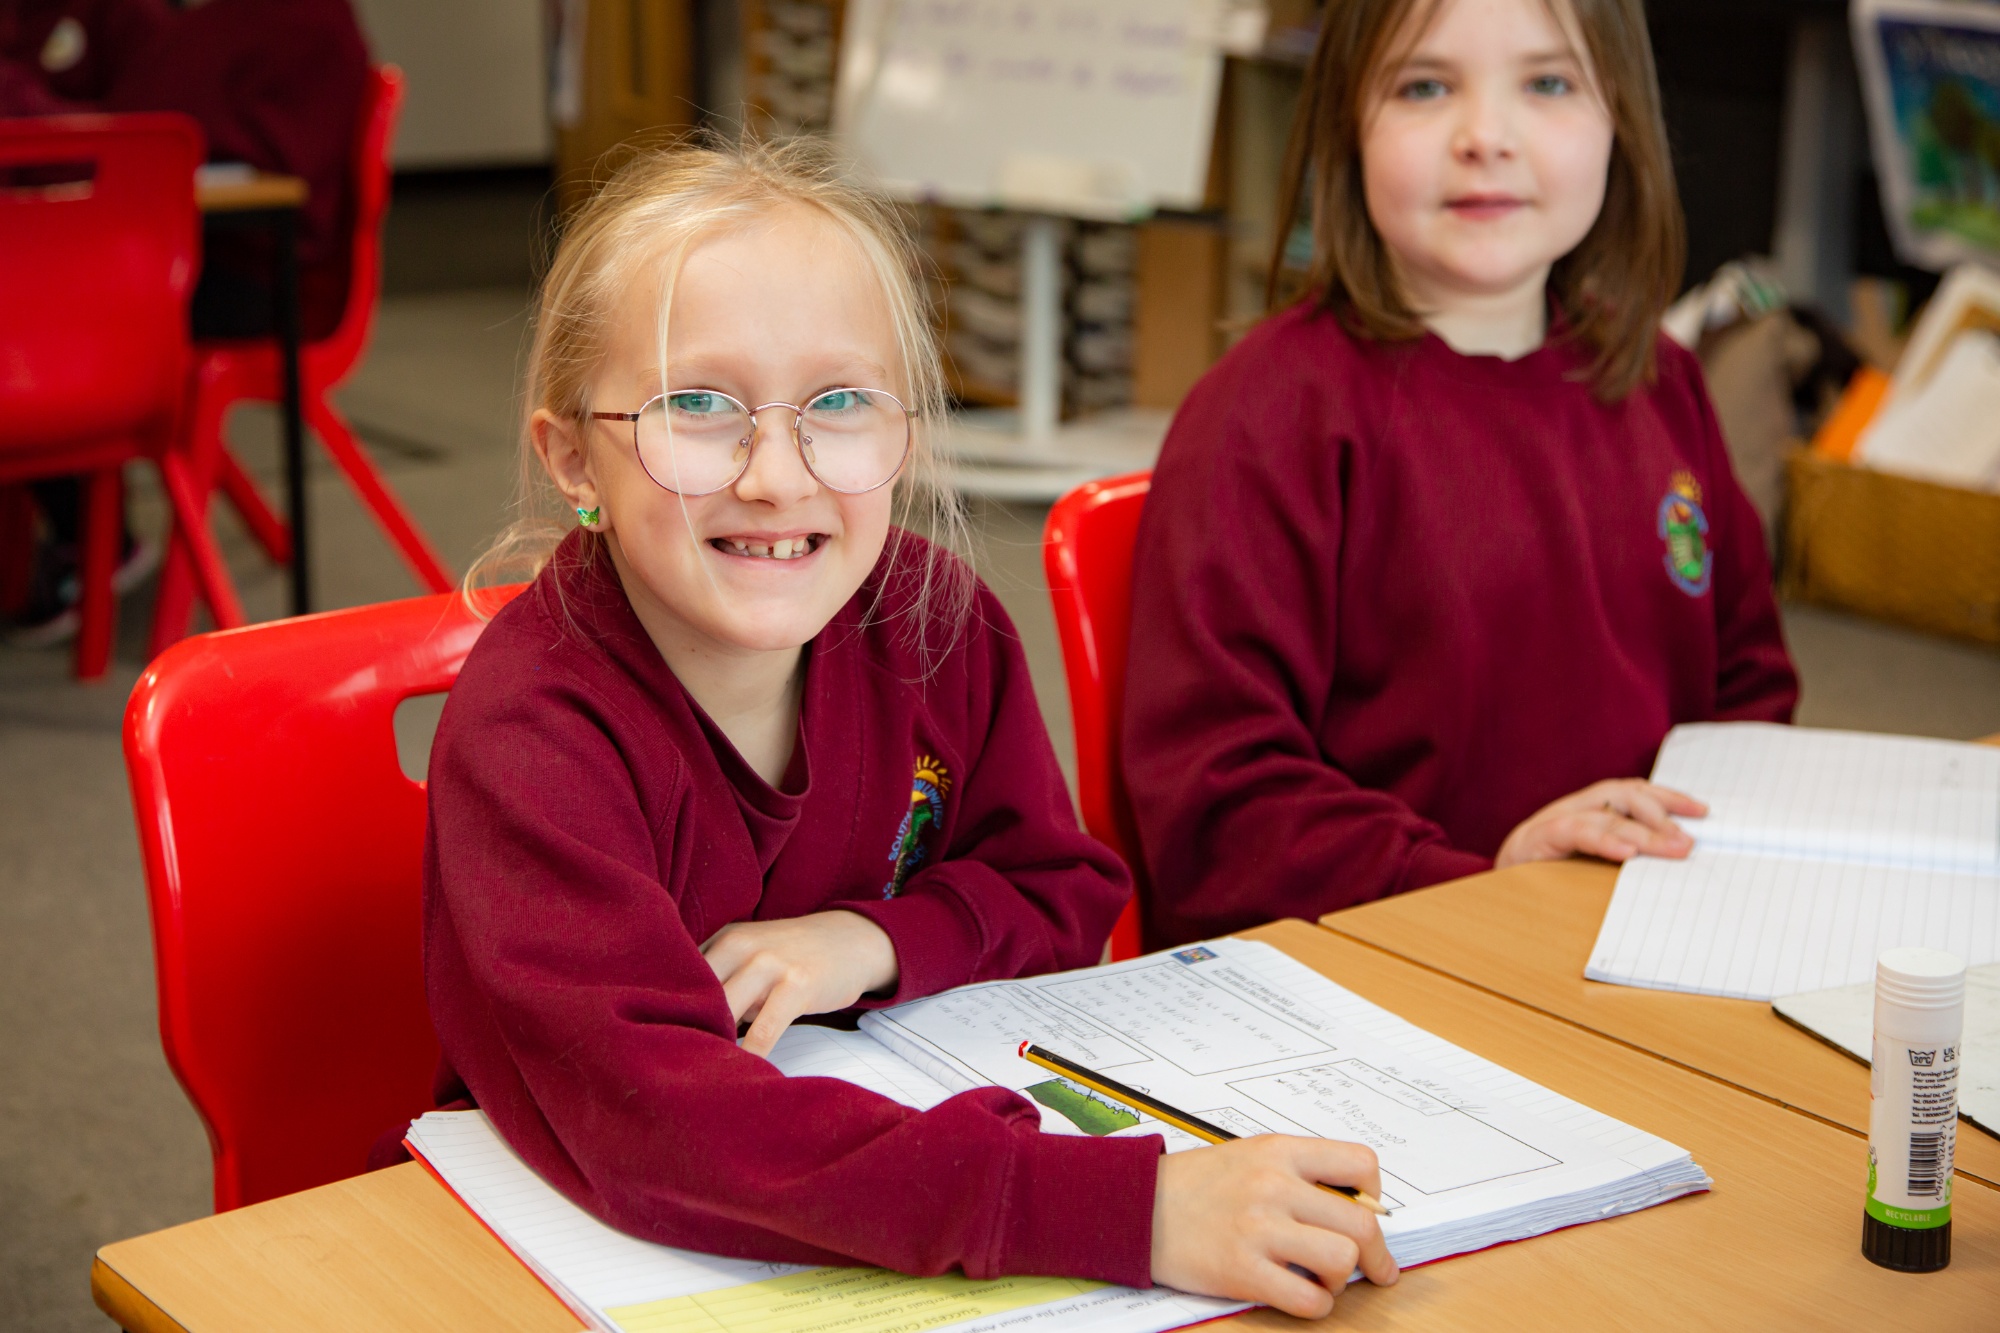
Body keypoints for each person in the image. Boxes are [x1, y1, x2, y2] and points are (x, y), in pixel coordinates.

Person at [421, 141, 1398, 1320]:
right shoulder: (534, 732)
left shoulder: (940, 629)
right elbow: (649, 1118)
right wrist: (1120, 1210)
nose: (777, 475)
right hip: (570, 1266)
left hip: (882, 1200)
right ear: (573, 454)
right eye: (696, 404)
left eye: (837, 404)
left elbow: (1063, 893)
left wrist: (872, 938)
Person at [1122, 0, 1800, 947]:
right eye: (1426, 86)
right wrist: (1478, 883)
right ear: (1345, 127)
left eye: (1549, 83)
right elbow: (1220, 799)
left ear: (1622, 121)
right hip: (1381, 977)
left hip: (1645, 934)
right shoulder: (1264, 417)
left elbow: (1751, 689)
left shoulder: (1664, 381)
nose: (1486, 137)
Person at [0, 0, 369, 644]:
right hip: (203, 258)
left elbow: (148, 123)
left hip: (250, 274)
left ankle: (90, 535)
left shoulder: (285, 21)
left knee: (40, 320)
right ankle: (84, 533)